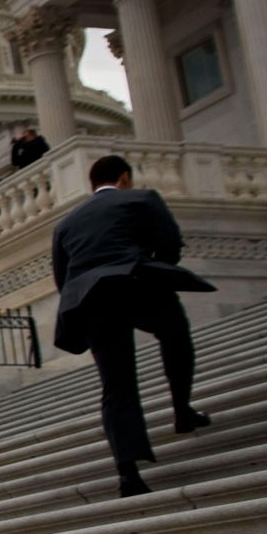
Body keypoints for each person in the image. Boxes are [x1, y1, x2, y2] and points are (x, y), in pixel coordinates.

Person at [51, 154, 215, 497]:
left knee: (116, 385)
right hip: (138, 283)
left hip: (92, 300)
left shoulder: (65, 224)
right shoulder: (141, 198)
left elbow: (62, 276)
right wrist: (155, 268)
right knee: (175, 335)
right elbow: (170, 244)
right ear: (124, 178)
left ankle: (128, 473)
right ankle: (182, 409)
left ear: (93, 184)